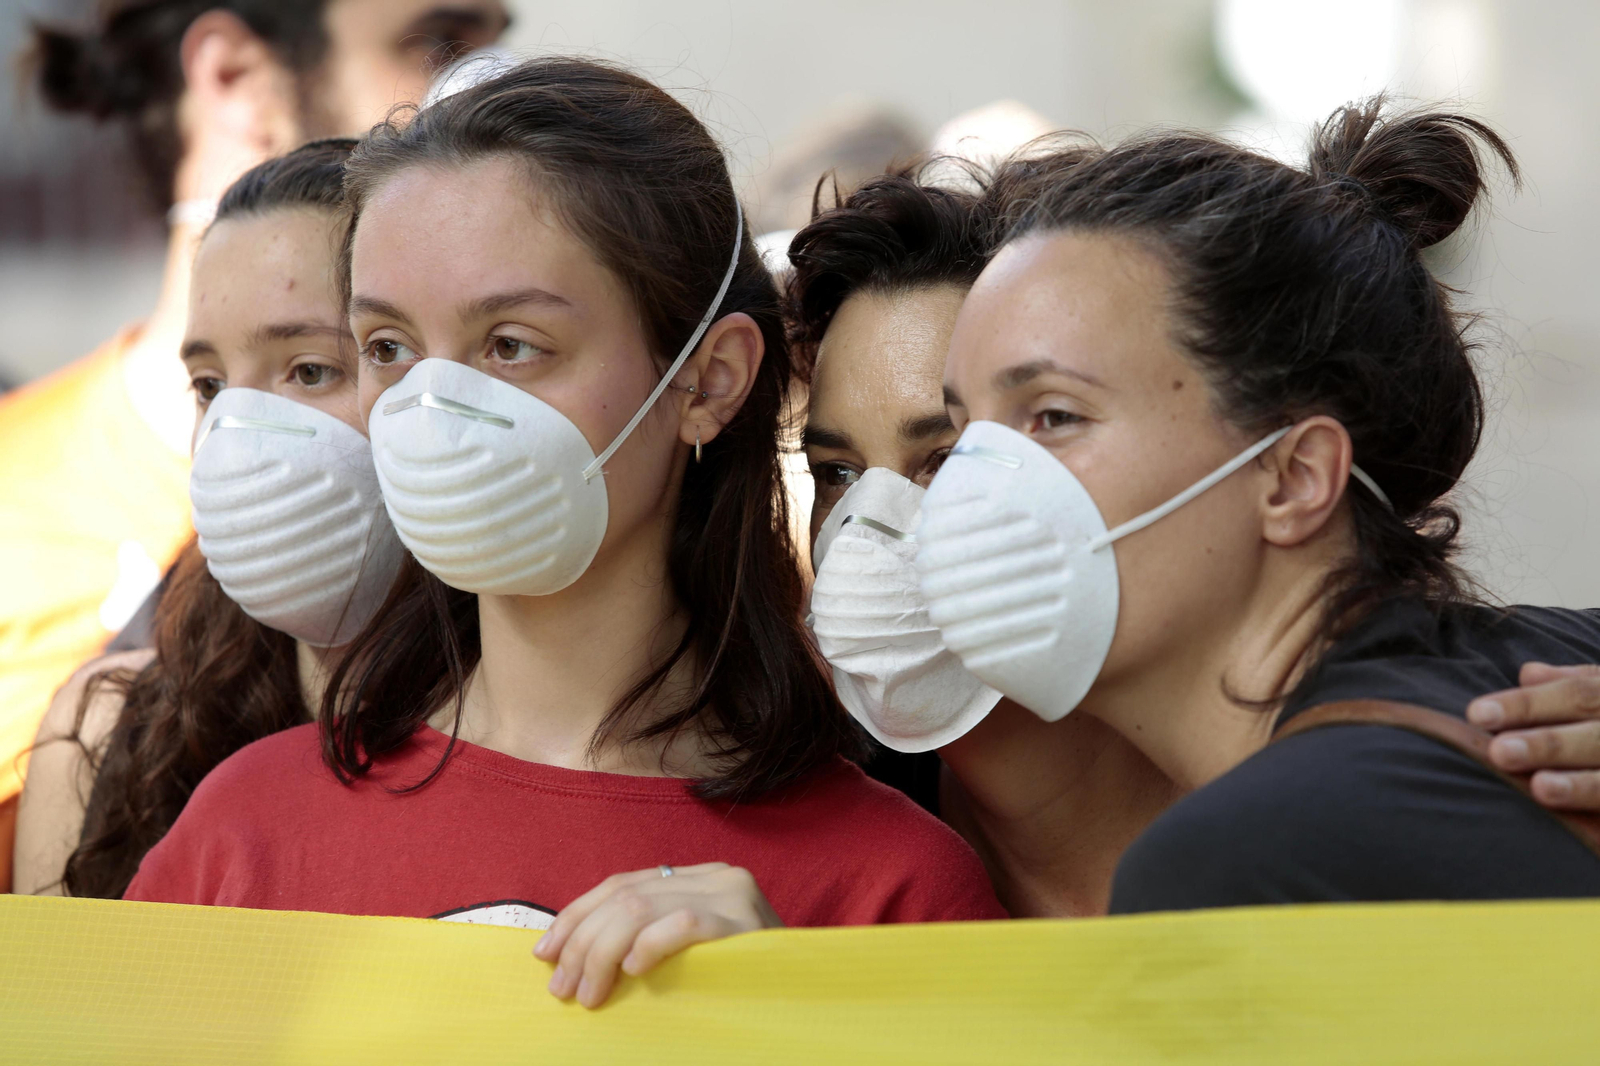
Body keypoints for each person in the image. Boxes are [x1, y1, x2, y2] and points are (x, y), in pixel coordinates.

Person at [124, 57, 1005, 1008]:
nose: (431, 405)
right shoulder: (241, 830)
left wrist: (790, 1021)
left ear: (709, 379)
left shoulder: (891, 888)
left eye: (511, 345)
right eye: (388, 348)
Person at [912, 100, 1600, 911]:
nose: (974, 487)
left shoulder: (1236, 862)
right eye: (963, 436)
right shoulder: (1566, 663)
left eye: (1055, 417)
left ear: (1294, 477)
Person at [0, 0, 510, 887]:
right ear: (232, 75)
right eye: (438, 45)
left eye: (310, 370)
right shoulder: (112, 728)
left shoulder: (556, 715)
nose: (475, 92)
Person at [12, 139, 404, 898]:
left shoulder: (548, 735)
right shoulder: (108, 735)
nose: (238, 435)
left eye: (310, 369)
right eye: (210, 385)